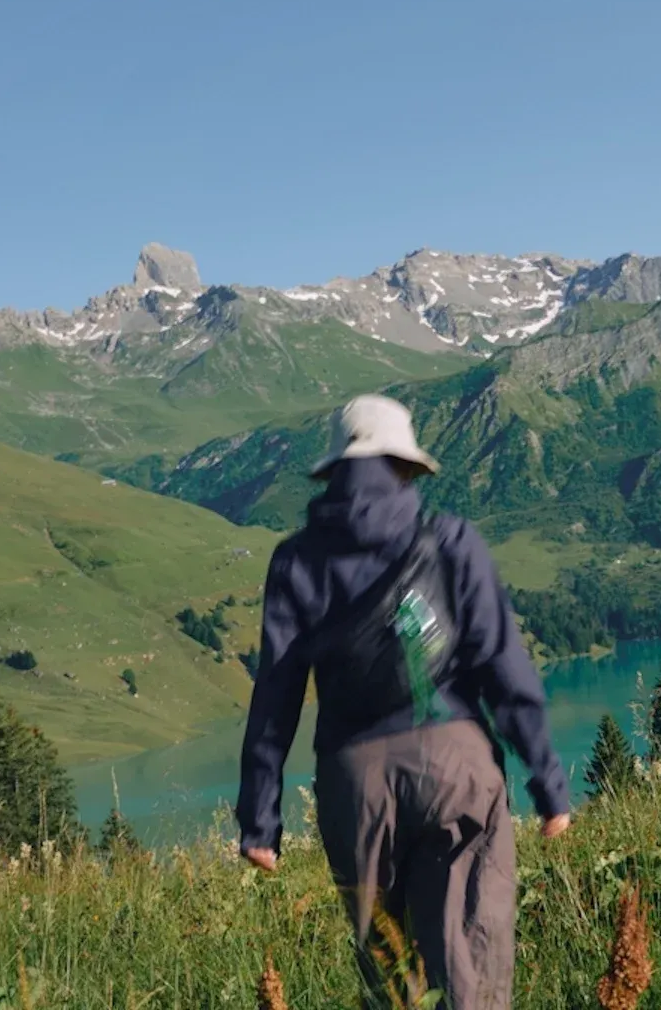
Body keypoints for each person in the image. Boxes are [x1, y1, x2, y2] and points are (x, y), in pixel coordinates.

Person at [237, 394, 571, 1009]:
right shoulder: (450, 542)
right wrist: (548, 783)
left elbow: (277, 691)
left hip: (353, 784)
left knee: (395, 981)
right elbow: (504, 667)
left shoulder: (295, 561)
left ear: (335, 472)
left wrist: (260, 819)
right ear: (406, 468)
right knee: (471, 963)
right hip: (456, 767)